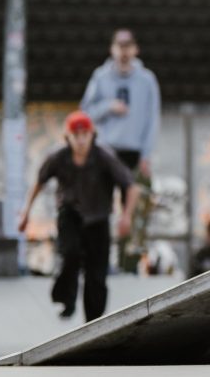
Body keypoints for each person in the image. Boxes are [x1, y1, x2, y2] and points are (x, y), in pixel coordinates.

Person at [18, 111, 139, 321]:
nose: (81, 141)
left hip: (98, 218)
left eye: (85, 135)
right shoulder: (58, 157)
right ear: (68, 137)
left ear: (92, 135)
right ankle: (66, 298)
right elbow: (39, 182)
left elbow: (131, 187)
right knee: (70, 254)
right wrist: (26, 213)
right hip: (70, 215)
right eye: (77, 135)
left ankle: (93, 320)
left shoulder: (103, 156)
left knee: (96, 272)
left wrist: (126, 216)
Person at [80, 28, 160, 271]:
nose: (124, 52)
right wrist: (108, 106)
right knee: (99, 207)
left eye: (128, 47)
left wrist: (146, 154)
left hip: (134, 152)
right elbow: (85, 113)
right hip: (106, 150)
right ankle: (99, 261)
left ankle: (129, 264)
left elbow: (152, 118)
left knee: (134, 210)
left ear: (135, 50)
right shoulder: (101, 77)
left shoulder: (146, 79)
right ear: (112, 49)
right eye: (119, 47)